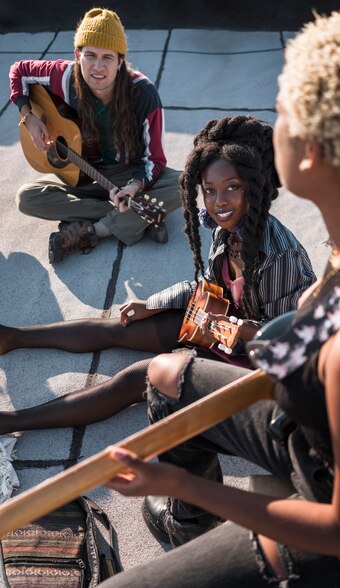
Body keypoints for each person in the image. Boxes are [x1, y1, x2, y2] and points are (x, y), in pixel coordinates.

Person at [70, 5, 340, 588]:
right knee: (165, 377)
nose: (269, 123)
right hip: (311, 420)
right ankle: (189, 532)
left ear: (309, 154)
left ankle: (194, 522)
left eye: (281, 112)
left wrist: (179, 484)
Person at [0, 114, 315, 435]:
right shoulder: (227, 229)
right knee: (124, 326)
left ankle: (12, 422)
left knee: (140, 377)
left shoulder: (281, 256)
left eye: (232, 187)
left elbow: (281, 340)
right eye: (209, 190)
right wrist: (152, 303)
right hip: (224, 326)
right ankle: (12, 337)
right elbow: (208, 289)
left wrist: (219, 328)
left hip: (256, 367)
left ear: (255, 187)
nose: (219, 201)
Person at [9, 7, 181, 262]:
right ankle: (138, 218)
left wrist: (133, 187)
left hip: (125, 173)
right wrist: (29, 117)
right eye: (90, 55)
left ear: (120, 61)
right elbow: (19, 71)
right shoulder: (65, 76)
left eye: (107, 58)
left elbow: (154, 160)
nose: (98, 67)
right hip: (80, 176)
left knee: (183, 185)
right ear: (77, 55)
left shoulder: (143, 93)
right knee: (26, 198)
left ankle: (93, 229)